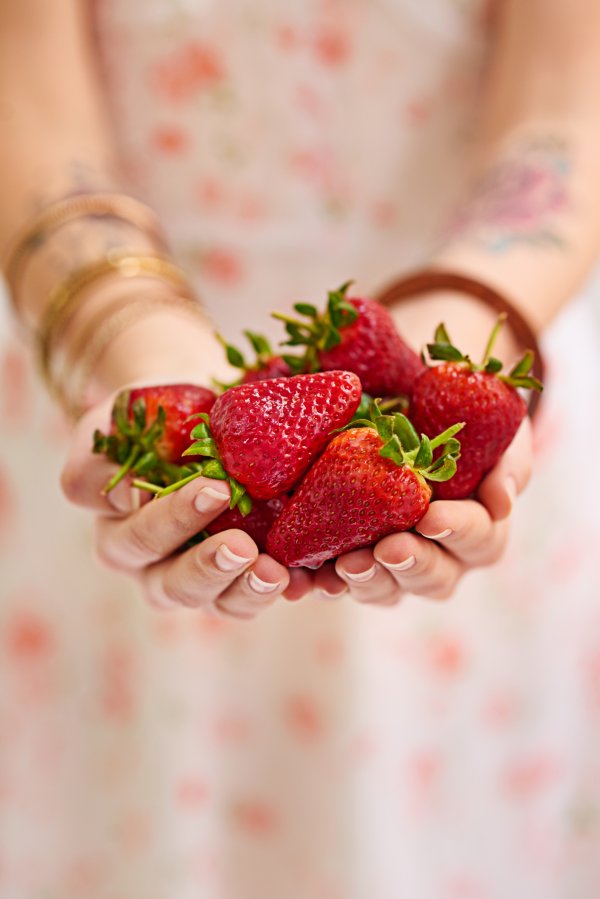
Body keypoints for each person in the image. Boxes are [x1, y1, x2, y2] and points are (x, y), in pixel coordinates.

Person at [0, 0, 599, 896]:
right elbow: (28, 95)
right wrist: (130, 336)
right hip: (122, 363)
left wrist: (468, 322)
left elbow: (562, 107)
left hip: (458, 336)